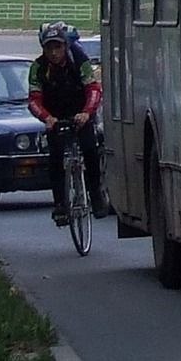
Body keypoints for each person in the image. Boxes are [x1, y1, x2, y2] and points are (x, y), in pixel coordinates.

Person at [28, 20, 107, 222]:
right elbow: (34, 100)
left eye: (58, 47)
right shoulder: (38, 67)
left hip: (80, 111)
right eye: (49, 48)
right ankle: (60, 204)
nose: (54, 53)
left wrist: (87, 112)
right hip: (54, 115)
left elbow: (94, 89)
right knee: (55, 156)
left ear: (65, 46)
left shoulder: (79, 59)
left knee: (90, 149)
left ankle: (96, 194)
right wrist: (47, 118)